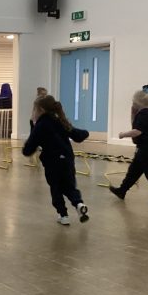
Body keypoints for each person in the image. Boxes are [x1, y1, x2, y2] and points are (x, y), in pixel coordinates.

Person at [22, 95, 89, 225]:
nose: (33, 112)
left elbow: (28, 148)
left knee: (56, 188)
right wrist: (86, 132)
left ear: (41, 110)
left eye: (34, 109)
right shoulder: (60, 121)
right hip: (67, 160)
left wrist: (32, 126)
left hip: (52, 162)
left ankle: (63, 215)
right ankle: (79, 204)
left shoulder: (41, 125)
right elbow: (78, 135)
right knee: (69, 186)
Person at [110, 86, 148, 206]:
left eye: (133, 102)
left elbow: (137, 131)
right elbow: (135, 125)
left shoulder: (144, 115)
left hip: (147, 149)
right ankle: (122, 191)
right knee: (133, 171)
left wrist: (123, 134)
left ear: (138, 103)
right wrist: (132, 113)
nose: (132, 104)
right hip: (145, 147)